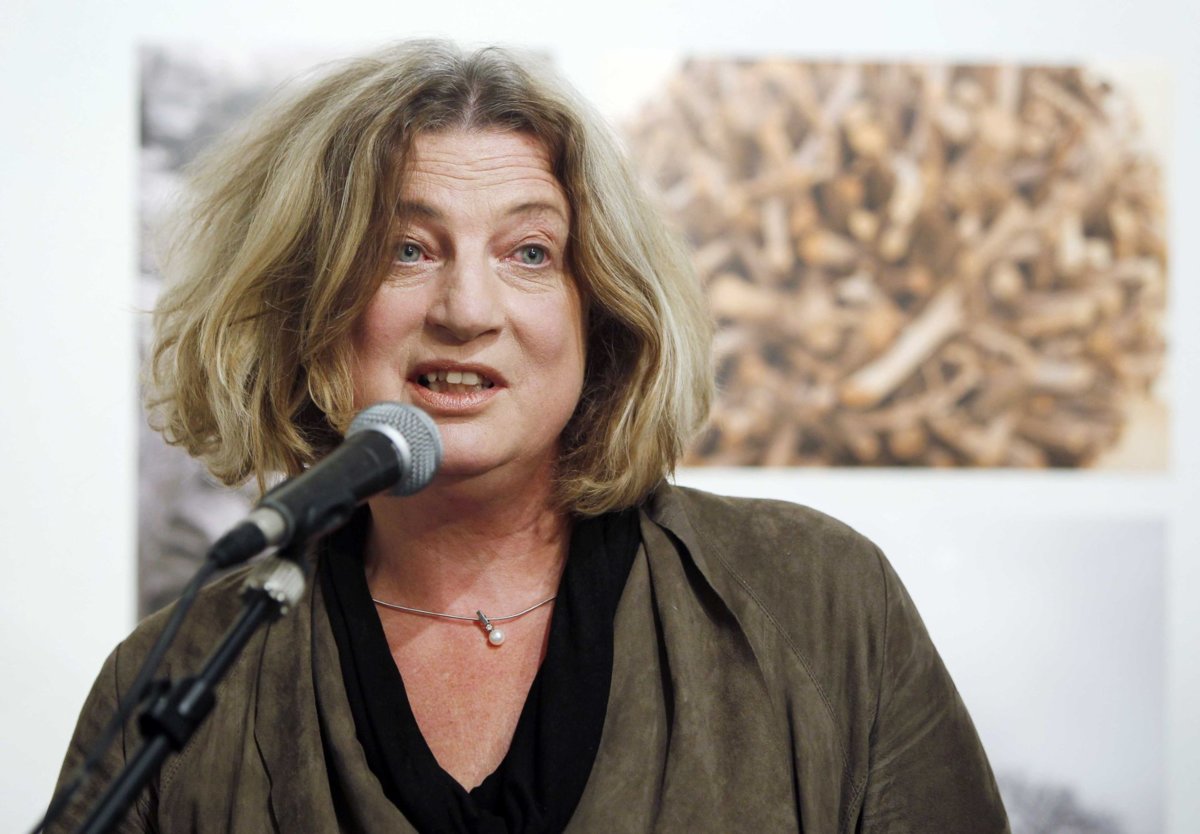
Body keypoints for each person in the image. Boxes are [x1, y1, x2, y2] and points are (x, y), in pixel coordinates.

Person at [51, 40, 1008, 832]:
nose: (466, 309)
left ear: (603, 310)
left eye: (530, 253)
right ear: (309, 308)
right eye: (405, 250)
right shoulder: (177, 677)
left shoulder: (820, 604)